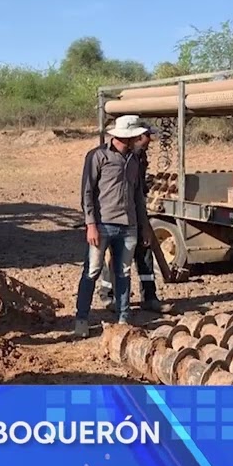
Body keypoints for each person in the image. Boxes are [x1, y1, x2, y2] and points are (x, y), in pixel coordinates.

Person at [73, 115, 150, 338]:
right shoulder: (98, 156)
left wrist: (143, 225)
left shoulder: (135, 160)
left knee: (124, 272)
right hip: (103, 224)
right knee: (92, 271)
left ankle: (123, 317)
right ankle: (82, 319)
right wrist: (90, 224)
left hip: (128, 226)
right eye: (135, 136)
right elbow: (87, 192)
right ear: (123, 137)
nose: (138, 139)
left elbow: (138, 196)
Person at [96, 118, 173, 315]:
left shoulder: (140, 156)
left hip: (137, 213)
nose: (151, 140)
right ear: (138, 136)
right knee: (115, 257)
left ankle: (150, 297)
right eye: (148, 136)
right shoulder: (121, 155)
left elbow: (138, 189)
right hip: (117, 215)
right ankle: (108, 294)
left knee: (144, 252)